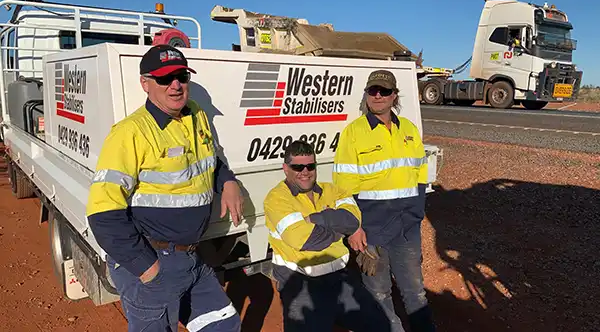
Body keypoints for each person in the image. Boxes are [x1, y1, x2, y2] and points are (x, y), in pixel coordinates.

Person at [86, 44, 243, 332]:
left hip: (190, 258)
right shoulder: (130, 133)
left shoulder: (195, 114)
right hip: (152, 258)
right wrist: (147, 268)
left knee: (224, 325)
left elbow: (211, 160)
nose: (175, 86)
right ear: (145, 84)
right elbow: (103, 213)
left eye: (182, 76)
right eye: (164, 78)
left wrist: (228, 180)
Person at [332, 70, 436, 332]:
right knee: (378, 295)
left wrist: (416, 212)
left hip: (406, 229)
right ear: (366, 95)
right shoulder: (353, 133)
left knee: (416, 293)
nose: (378, 96)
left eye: (384, 91)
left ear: (394, 96)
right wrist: (353, 228)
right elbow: (343, 188)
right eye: (373, 91)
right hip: (371, 232)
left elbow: (420, 175)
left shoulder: (409, 130)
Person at [264, 140, 392, 332]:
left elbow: (352, 221)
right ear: (285, 168)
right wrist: (342, 227)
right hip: (302, 285)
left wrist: (316, 219)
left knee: (380, 325)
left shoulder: (332, 190)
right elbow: (307, 240)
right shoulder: (277, 199)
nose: (305, 171)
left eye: (310, 165)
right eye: (297, 167)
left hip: (339, 278)